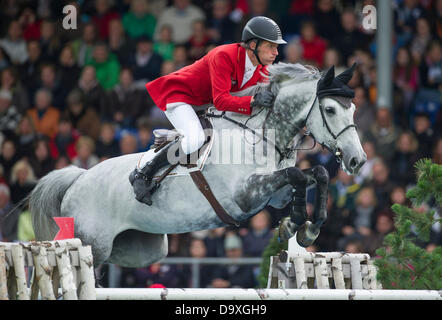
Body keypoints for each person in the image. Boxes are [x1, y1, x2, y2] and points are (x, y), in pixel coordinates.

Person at [130, 16, 286, 205]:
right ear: (253, 44)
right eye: (271, 46)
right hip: (181, 97)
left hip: (205, 104)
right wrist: (253, 100)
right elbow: (221, 101)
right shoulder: (224, 55)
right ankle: (143, 173)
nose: (276, 52)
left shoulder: (261, 69)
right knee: (195, 139)